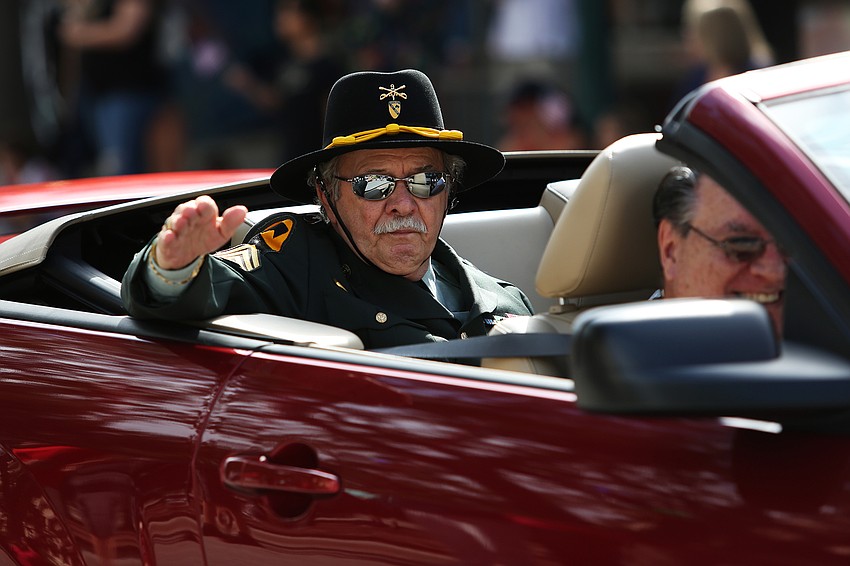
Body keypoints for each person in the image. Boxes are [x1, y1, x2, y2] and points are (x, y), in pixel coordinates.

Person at [122, 69, 533, 349]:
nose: (404, 204)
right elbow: (203, 290)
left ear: (449, 192)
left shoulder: (502, 300)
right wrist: (172, 266)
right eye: (374, 183)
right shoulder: (297, 263)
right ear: (325, 195)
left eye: (427, 181)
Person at [652, 165, 787, 337]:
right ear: (671, 251)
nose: (775, 272)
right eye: (742, 245)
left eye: (788, 246)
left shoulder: (819, 352)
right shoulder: (625, 359)